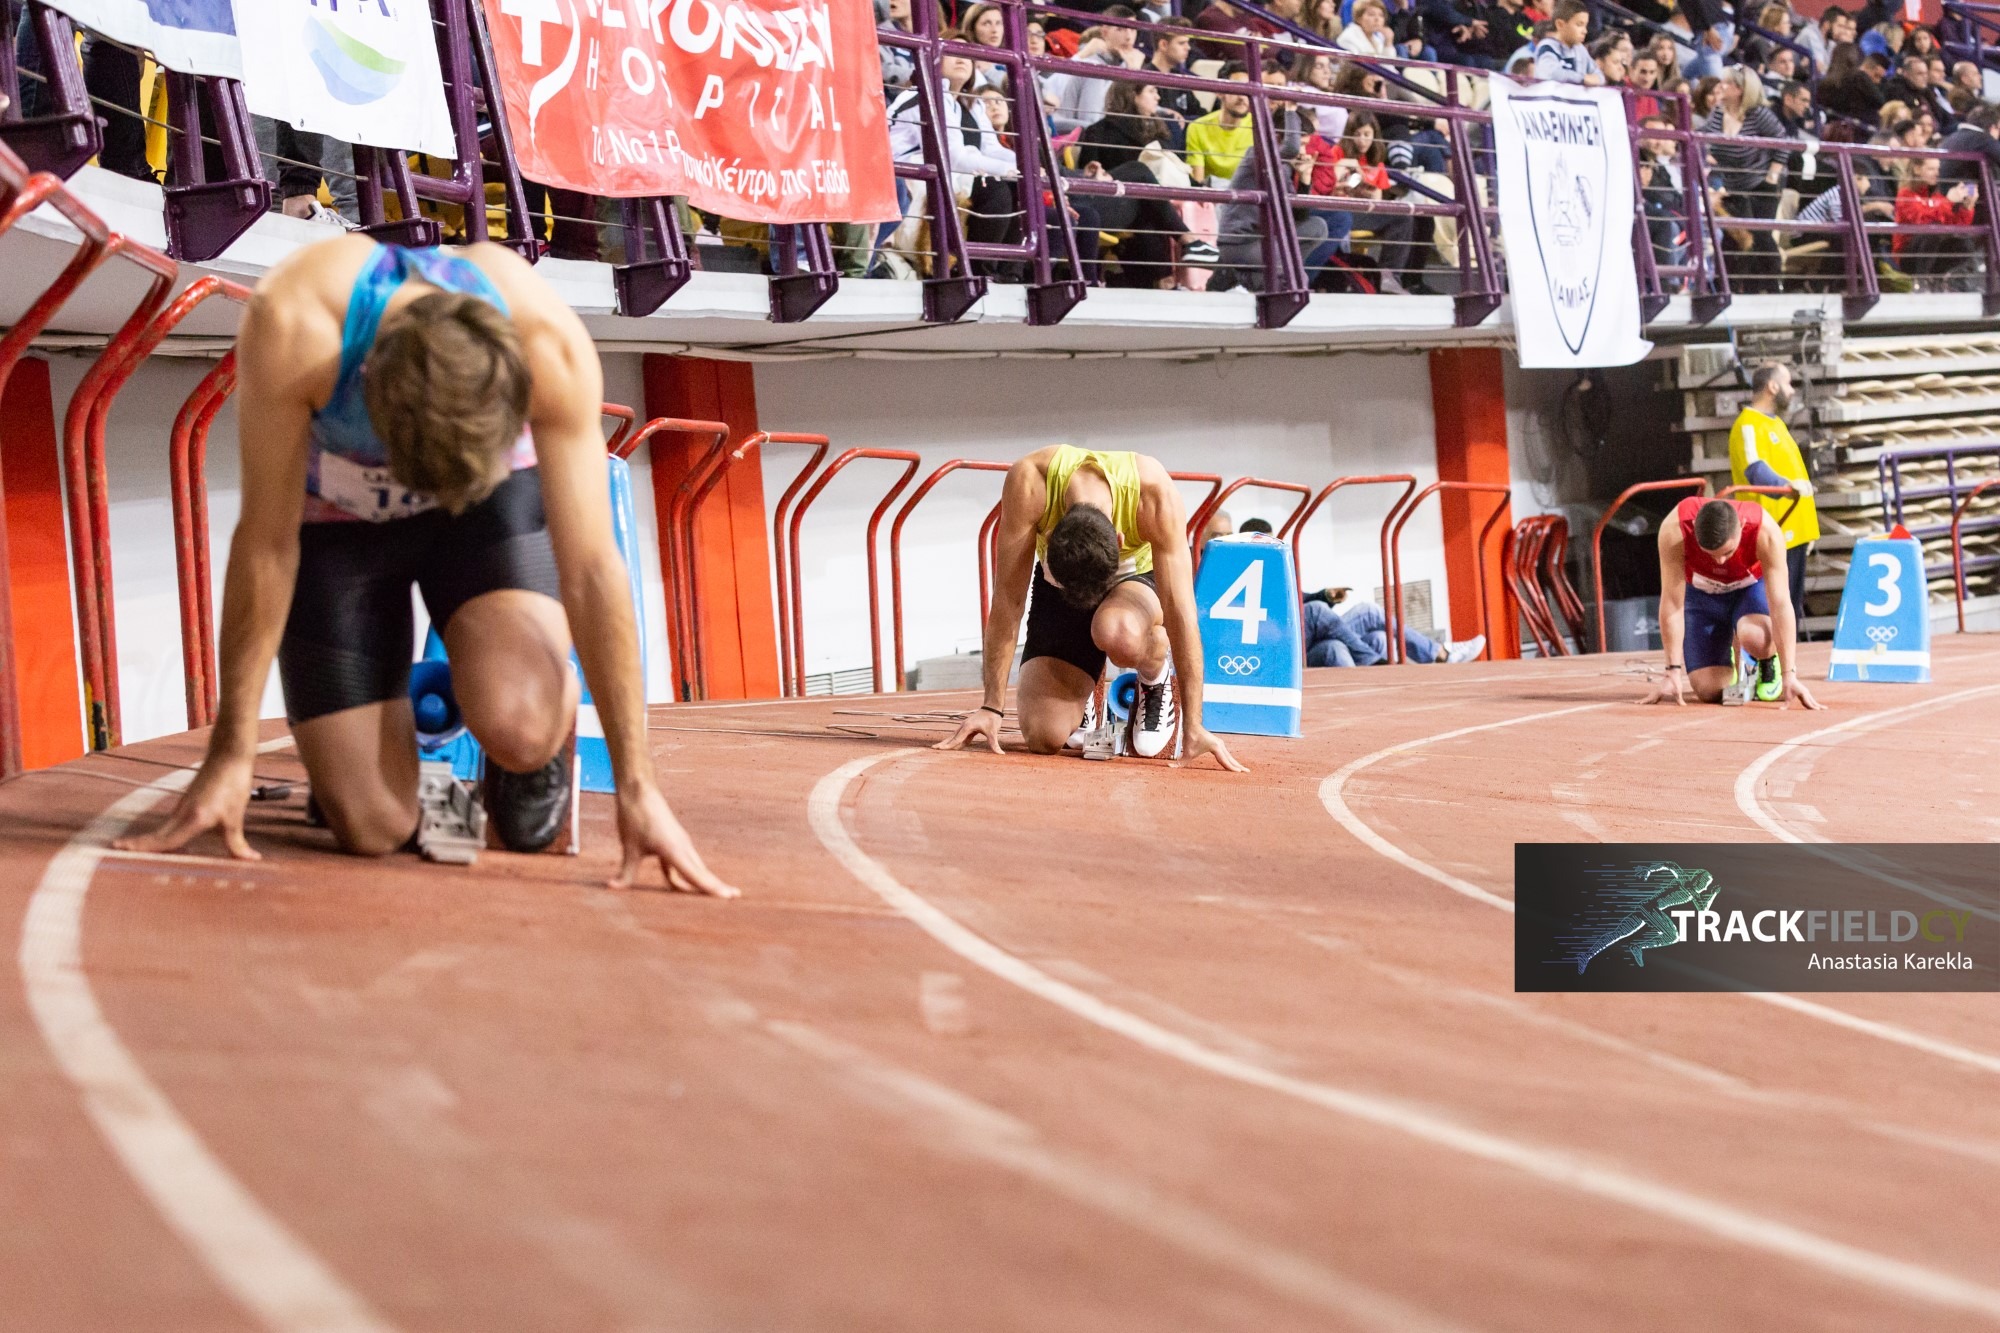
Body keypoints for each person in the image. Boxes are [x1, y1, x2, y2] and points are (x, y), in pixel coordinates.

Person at [116, 236, 737, 894]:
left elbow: (591, 565)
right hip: (340, 520)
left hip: (485, 505)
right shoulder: (295, 323)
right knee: (374, 827)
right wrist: (230, 749)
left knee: (517, 725)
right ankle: (370, 772)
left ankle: (522, 752)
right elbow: (266, 544)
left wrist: (638, 787)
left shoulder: (548, 341)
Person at [935, 446, 1246, 769]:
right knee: (1044, 737)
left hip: (1134, 580)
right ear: (1052, 535)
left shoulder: (1154, 495)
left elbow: (1181, 614)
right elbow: (1007, 601)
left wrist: (1194, 724)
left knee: (1116, 631)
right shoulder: (1030, 483)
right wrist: (991, 707)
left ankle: (1154, 674)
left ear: (1120, 538)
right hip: (1059, 584)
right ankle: (1084, 691)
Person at [1640, 495, 1823, 708]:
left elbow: (1781, 604)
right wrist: (1672, 671)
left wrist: (1789, 673)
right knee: (1708, 690)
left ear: (1742, 528)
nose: (1719, 561)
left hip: (1748, 590)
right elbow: (1672, 602)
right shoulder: (1674, 529)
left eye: (1727, 552)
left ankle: (1765, 661)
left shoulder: (1766, 532)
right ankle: (1727, 654)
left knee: (1754, 636)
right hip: (1702, 595)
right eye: (1710, 554)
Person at [1727, 363, 1819, 632]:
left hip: (1795, 530)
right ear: (1773, 386)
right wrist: (1786, 486)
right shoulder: (1747, 425)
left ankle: (1787, 666)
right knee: (1772, 605)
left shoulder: (1776, 424)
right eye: (1788, 383)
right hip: (1773, 528)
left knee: (1790, 604)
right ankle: (1770, 666)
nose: (1792, 391)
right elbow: (1755, 470)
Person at [1302, 587, 1485, 666]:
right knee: (1318, 610)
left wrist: (1325, 595)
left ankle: (1437, 653)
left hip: (1315, 639)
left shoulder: (1278, 564)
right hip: (1293, 647)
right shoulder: (1272, 568)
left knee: (1377, 636)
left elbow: (1299, 596)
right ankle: (1440, 654)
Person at [1184, 65, 1256, 183]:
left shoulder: (1259, 127)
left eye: (1247, 89)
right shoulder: (1198, 127)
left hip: (1247, 196)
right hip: (1213, 196)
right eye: (1236, 88)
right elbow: (1198, 181)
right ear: (1219, 92)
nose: (1242, 96)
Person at [1532, 0, 1603, 85]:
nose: (1585, 31)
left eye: (1585, 25)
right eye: (1579, 25)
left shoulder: (1580, 49)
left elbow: (1599, 77)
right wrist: (1582, 79)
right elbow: (1550, 73)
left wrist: (1596, 79)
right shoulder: (1547, 46)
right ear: (1560, 24)